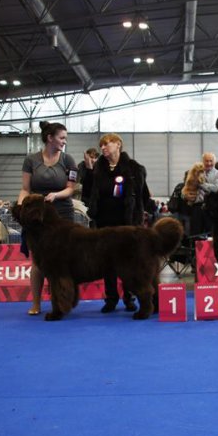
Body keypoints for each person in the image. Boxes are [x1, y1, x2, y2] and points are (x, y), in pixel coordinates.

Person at [83, 133, 151, 313]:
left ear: (118, 144)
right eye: (101, 145)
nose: (103, 148)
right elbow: (89, 193)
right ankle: (111, 298)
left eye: (107, 144)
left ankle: (130, 297)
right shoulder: (98, 169)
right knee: (107, 262)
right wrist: (89, 172)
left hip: (127, 222)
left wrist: (146, 215)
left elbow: (144, 194)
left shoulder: (134, 168)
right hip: (105, 222)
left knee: (129, 262)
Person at [17, 121, 78, 316]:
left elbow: (71, 188)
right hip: (37, 218)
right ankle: (36, 304)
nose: (64, 142)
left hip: (62, 213)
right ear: (50, 138)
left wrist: (56, 195)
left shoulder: (69, 160)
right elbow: (25, 189)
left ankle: (64, 301)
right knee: (39, 262)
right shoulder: (30, 160)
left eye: (65, 139)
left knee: (65, 261)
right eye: (61, 138)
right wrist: (20, 207)